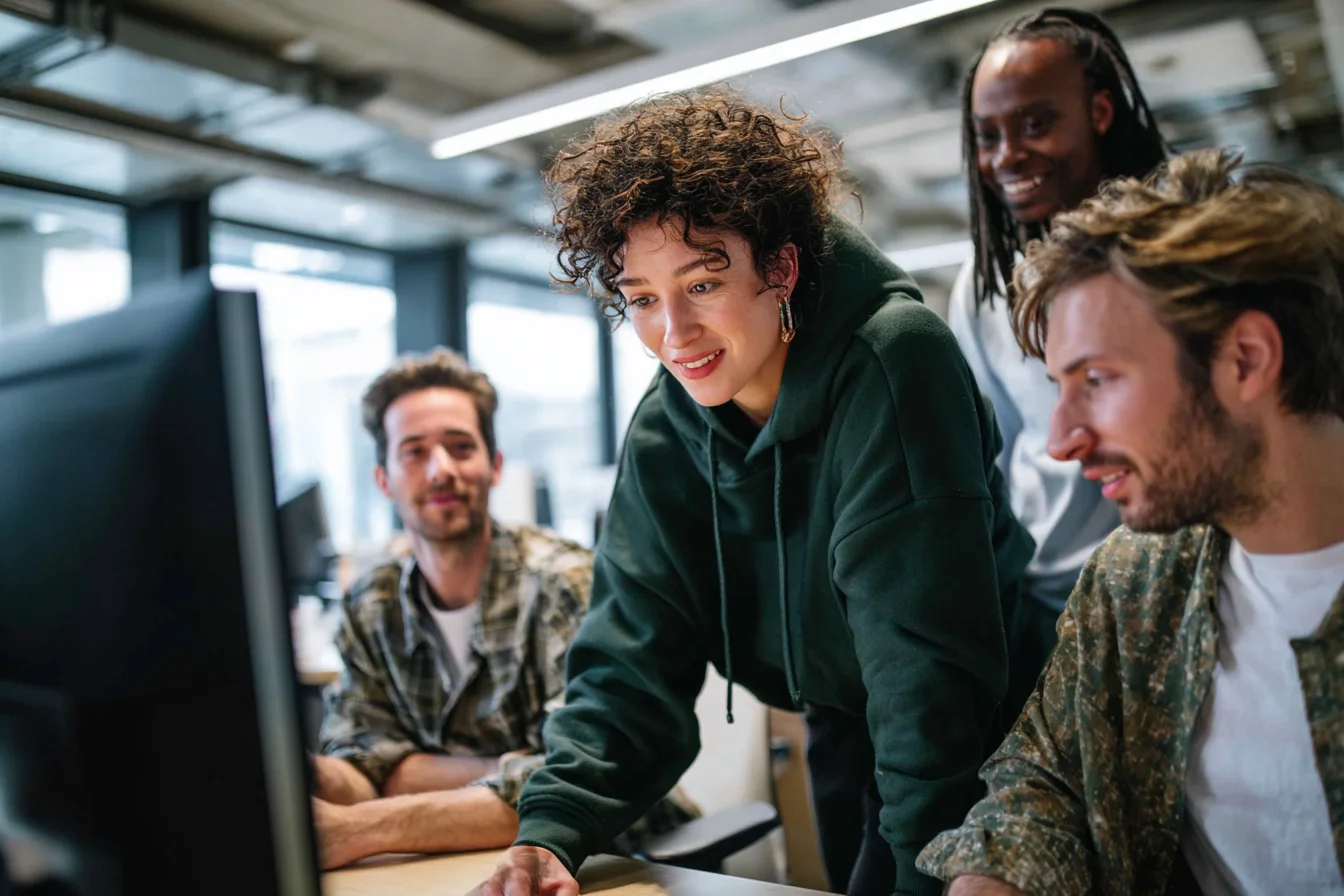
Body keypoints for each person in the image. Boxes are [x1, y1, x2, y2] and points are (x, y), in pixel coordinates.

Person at [469, 89, 1036, 896]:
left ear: (781, 268)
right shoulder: (668, 429)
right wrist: (554, 830)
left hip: (992, 734)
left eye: (702, 284)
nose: (674, 334)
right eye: (641, 299)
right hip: (846, 722)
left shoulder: (895, 365)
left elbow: (930, 690)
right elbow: (631, 661)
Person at [918, 148, 1344, 895]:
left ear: (1245, 359)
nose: (1060, 440)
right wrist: (994, 875)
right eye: (1058, 387)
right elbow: (1049, 780)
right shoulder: (1137, 579)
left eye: (1098, 380)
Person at [309, 348, 693, 869]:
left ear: (494, 467)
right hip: (467, 865)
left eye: (460, 447)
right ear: (384, 480)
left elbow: (577, 782)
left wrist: (372, 816)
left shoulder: (562, 581)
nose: (441, 470)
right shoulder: (372, 605)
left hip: (625, 860)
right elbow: (357, 762)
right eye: (415, 452)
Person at [949, 6, 1168, 715]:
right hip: (1043, 608)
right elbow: (1000, 453)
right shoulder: (981, 284)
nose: (1006, 155)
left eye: (1035, 124)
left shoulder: (1177, 251)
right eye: (988, 136)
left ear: (1100, 111)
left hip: (1169, 584)